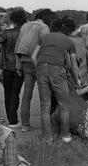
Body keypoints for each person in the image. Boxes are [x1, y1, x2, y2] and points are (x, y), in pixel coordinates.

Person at [31, 16, 80, 144]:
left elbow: (33, 57)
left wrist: (40, 69)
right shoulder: (69, 42)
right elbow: (73, 65)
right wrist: (77, 80)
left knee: (45, 106)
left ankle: (47, 138)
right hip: (57, 70)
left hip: (41, 68)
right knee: (64, 105)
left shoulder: (44, 37)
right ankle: (65, 136)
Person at [14, 9, 53, 132]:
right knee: (45, 96)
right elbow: (47, 46)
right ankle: (47, 126)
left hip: (25, 62)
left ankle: (25, 125)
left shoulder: (25, 26)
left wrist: (18, 65)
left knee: (27, 94)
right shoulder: (44, 27)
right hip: (38, 62)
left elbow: (17, 46)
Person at [0, 9, 27, 128]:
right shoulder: (25, 33)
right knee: (15, 93)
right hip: (20, 66)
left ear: (13, 20)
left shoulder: (7, 33)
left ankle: (11, 118)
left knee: (7, 93)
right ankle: (13, 120)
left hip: (7, 66)